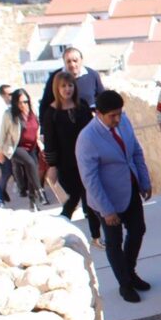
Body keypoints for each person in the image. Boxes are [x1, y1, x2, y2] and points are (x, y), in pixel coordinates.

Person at [76, 90, 152, 304]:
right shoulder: (87, 138)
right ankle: (125, 284)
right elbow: (90, 179)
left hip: (130, 189)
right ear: (98, 114)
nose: (117, 119)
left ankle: (130, 271)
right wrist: (106, 210)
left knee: (138, 230)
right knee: (114, 241)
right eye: (112, 116)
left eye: (120, 114)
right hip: (106, 198)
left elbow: (136, 151)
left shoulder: (124, 122)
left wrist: (144, 181)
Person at [42, 71, 102, 248]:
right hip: (66, 164)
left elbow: (92, 130)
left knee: (90, 197)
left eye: (70, 85)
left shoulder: (81, 106)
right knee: (73, 199)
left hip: (86, 159)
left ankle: (96, 236)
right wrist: (52, 166)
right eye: (63, 86)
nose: (67, 89)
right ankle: (58, 231)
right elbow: (50, 142)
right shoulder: (51, 113)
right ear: (56, 88)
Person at [0, 89, 47, 212]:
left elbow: (37, 129)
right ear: (15, 103)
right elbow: (3, 133)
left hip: (32, 147)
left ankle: (32, 202)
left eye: (25, 102)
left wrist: (40, 143)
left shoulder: (33, 111)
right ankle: (40, 191)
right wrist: (0, 152)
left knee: (32, 170)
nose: (23, 105)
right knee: (30, 164)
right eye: (19, 102)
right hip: (15, 147)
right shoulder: (9, 114)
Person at [39, 47, 105, 119]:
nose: (72, 64)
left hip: (88, 119)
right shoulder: (55, 77)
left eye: (75, 61)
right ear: (64, 62)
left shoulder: (92, 75)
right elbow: (45, 102)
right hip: (62, 121)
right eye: (68, 61)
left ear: (81, 60)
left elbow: (102, 97)